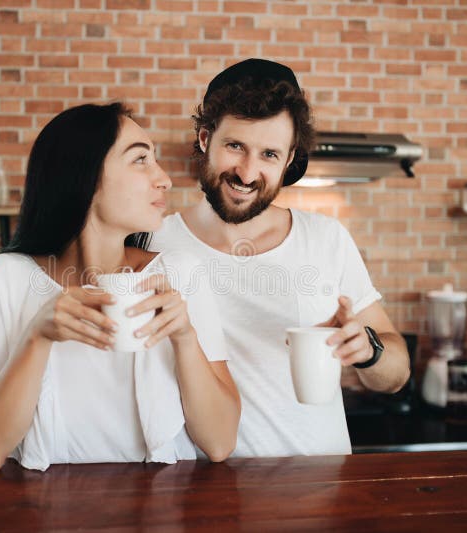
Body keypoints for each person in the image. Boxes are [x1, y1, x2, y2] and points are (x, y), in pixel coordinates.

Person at [0, 102, 241, 470]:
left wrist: (184, 337)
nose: (163, 178)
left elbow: (221, 442)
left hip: (163, 512)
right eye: (140, 160)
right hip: (45, 516)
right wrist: (37, 337)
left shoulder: (179, 274)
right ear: (84, 176)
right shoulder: (6, 278)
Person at [149, 59, 411, 457]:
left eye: (269, 154)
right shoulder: (152, 241)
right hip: (200, 494)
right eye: (235, 146)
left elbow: (396, 375)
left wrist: (368, 349)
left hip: (318, 492)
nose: (248, 172)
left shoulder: (325, 239)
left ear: (289, 161)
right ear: (205, 139)